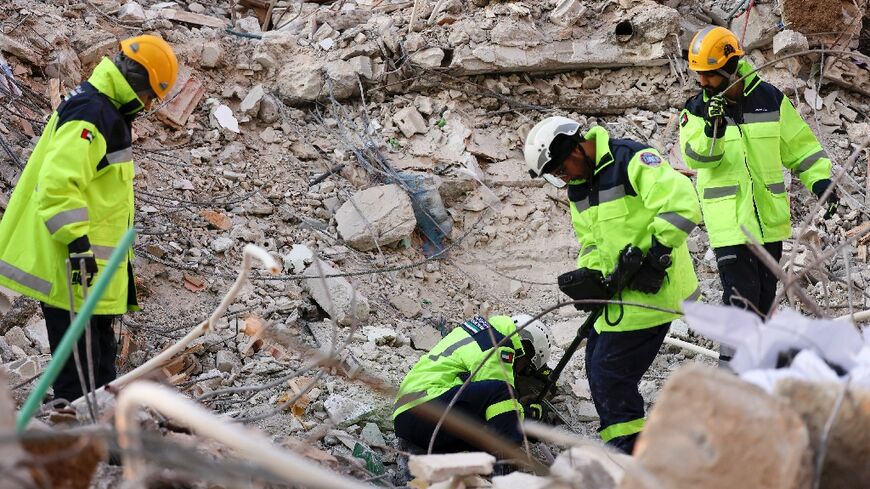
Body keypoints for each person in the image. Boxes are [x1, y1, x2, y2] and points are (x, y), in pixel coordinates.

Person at [0, 35, 178, 402]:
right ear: (139, 83)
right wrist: (78, 243)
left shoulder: (105, 111)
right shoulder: (91, 113)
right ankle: (71, 448)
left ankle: (97, 443)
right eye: (150, 97)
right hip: (75, 268)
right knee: (76, 376)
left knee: (100, 371)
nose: (147, 106)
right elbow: (57, 186)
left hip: (91, 276)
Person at [524, 116, 701, 454]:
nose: (564, 178)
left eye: (562, 169)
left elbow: (683, 202)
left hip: (652, 294)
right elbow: (590, 240)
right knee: (595, 363)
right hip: (618, 297)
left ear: (575, 148)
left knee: (610, 374)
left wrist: (657, 253)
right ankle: (627, 446)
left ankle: (630, 452)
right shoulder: (579, 187)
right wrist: (589, 276)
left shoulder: (630, 159)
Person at [679, 26, 836, 338]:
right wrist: (715, 127)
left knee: (763, 305)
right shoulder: (696, 111)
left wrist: (820, 182)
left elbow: (801, 148)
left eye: (710, 74)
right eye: (699, 74)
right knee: (742, 306)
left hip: (769, 223)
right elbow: (697, 159)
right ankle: (734, 375)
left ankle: (756, 374)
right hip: (730, 227)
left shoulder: (770, 100)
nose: (702, 82)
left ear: (731, 66)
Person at [393, 314, 553, 456]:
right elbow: (503, 396)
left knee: (485, 426)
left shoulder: (480, 332)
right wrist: (530, 415)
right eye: (525, 366)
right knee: (502, 392)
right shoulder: (499, 344)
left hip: (412, 416)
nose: (519, 371)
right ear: (527, 347)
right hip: (424, 410)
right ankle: (503, 469)